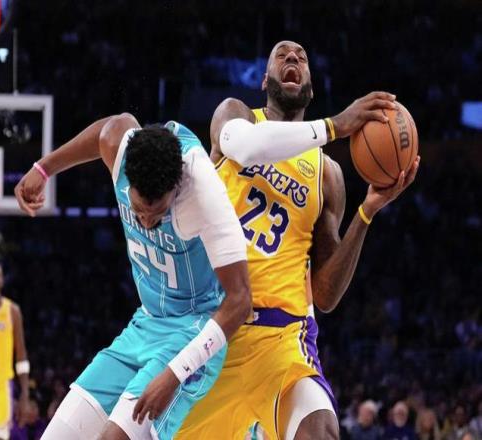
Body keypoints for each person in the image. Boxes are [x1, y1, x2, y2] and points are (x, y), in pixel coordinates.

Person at [177, 40, 419, 440]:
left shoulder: (327, 174)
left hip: (281, 339)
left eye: (302, 57)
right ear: (264, 81)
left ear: (310, 86)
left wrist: (367, 212)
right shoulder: (235, 115)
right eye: (282, 55)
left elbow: (325, 294)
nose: (293, 58)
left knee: (319, 431)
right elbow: (247, 147)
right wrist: (336, 125)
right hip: (211, 331)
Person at [14, 115, 251, 440]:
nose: (147, 221)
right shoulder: (120, 149)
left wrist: (175, 373)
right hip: (146, 324)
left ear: (177, 187)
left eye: (158, 213)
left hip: (191, 329)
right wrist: (44, 169)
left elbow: (240, 302)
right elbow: (107, 130)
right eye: (139, 211)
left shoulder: (204, 191)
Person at [0, 263, 30, 440]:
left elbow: (21, 355)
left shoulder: (12, 311)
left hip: (2, 387)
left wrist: (25, 393)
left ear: (2, 280)